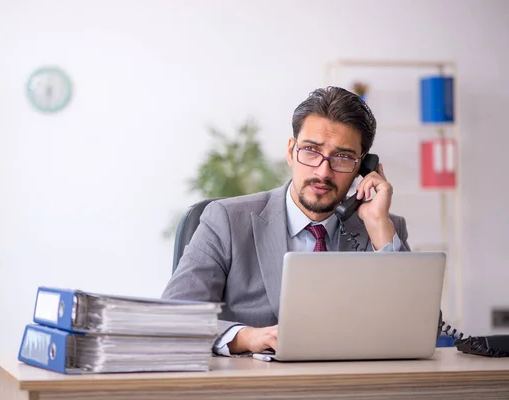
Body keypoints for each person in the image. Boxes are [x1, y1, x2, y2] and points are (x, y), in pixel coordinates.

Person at [161, 86, 411, 356]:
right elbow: (175, 318)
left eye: (342, 157)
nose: (323, 171)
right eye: (311, 150)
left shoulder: (383, 227)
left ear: (364, 167)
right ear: (291, 151)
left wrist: (379, 230)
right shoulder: (226, 220)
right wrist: (244, 337)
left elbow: (423, 329)